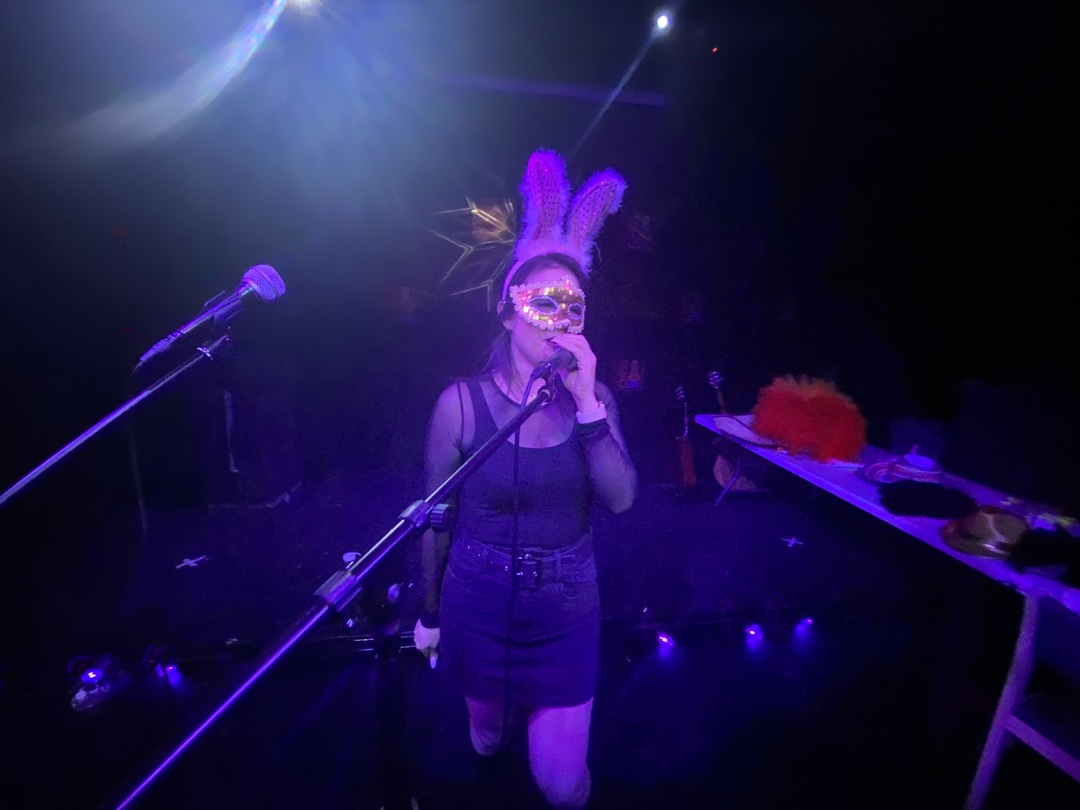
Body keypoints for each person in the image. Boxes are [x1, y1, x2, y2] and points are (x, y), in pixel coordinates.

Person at [413, 150, 637, 809]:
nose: (558, 318)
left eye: (573, 307)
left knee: (561, 786)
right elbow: (434, 516)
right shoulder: (460, 405)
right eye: (542, 303)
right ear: (508, 313)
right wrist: (429, 612)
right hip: (478, 596)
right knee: (486, 740)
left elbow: (622, 499)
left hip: (567, 605)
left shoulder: (594, 403)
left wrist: (589, 403)